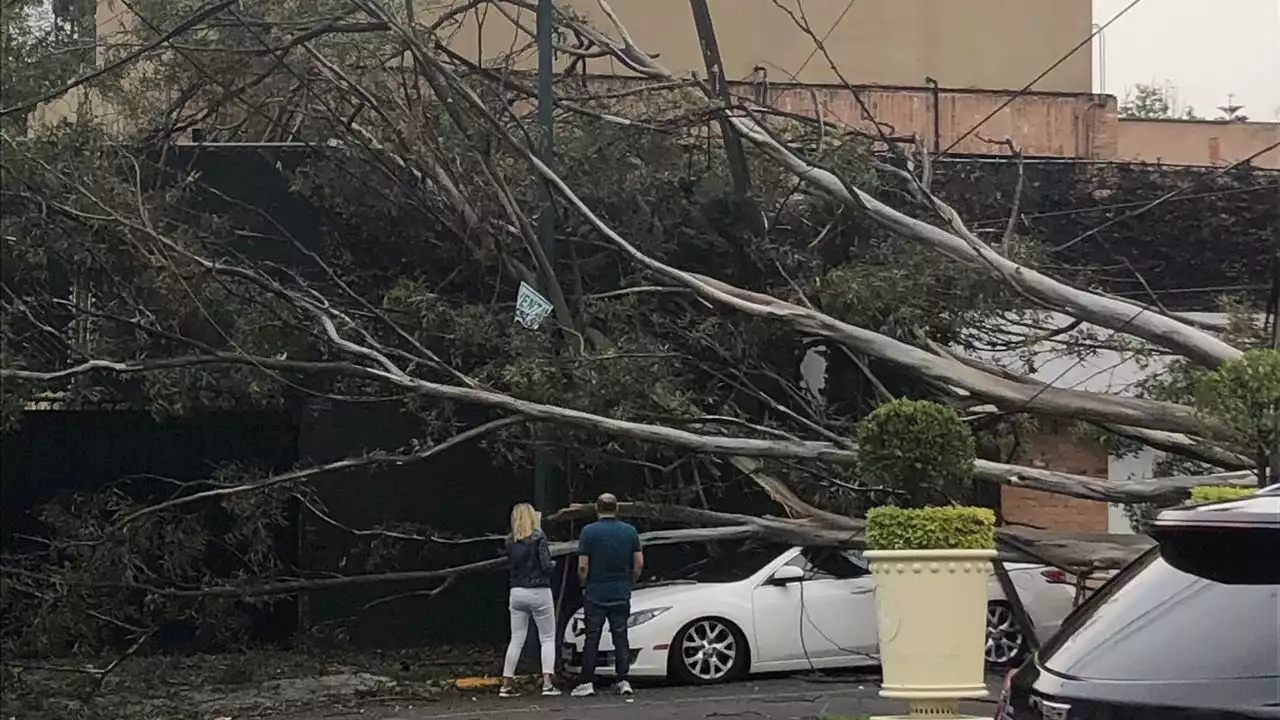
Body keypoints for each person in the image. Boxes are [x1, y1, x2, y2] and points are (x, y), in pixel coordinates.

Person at [571, 493, 643, 698]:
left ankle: (587, 682)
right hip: (620, 589)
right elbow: (638, 563)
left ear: (597, 508)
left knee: (592, 637)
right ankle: (623, 679)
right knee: (620, 635)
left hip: (596, 591)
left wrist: (584, 585)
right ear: (617, 508)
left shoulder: (588, 532)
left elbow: (583, 566)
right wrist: (630, 582)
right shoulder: (629, 531)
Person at [500, 503, 560, 698]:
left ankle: (506, 684)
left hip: (517, 591)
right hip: (539, 590)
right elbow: (545, 565)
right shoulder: (539, 537)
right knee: (547, 637)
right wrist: (552, 564)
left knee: (516, 638)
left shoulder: (510, 541)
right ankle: (548, 683)